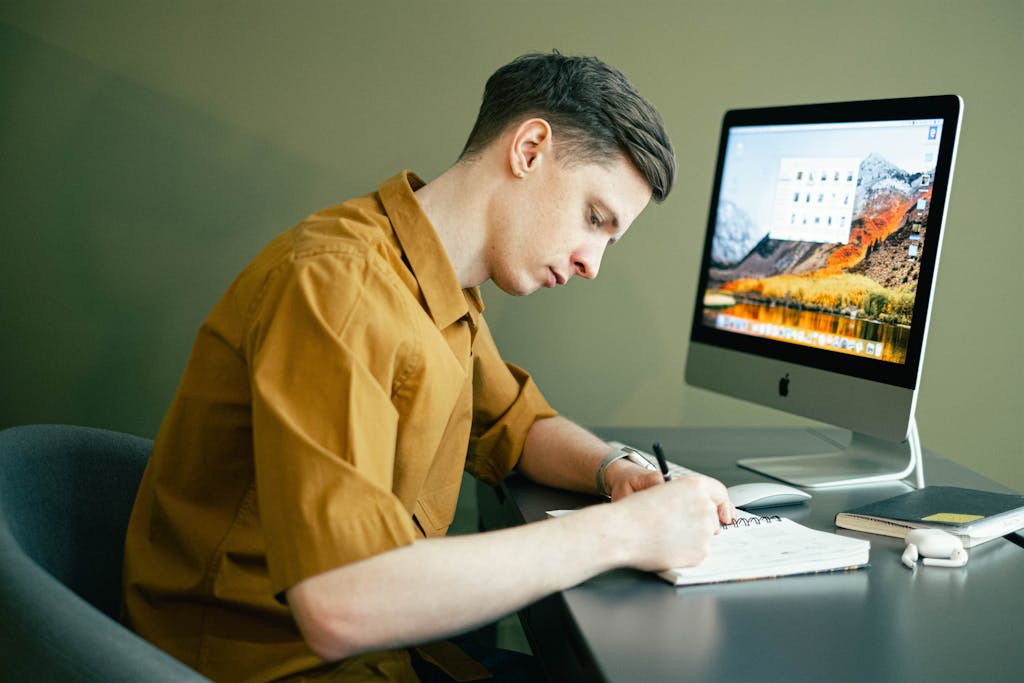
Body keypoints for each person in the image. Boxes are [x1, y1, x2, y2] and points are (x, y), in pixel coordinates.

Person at [121, 51, 734, 682]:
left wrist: (616, 473)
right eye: (594, 218)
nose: (591, 264)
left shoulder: (442, 287)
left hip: (388, 655)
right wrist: (623, 534)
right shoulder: (341, 286)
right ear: (528, 148)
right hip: (281, 667)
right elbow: (342, 602)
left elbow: (519, 426)